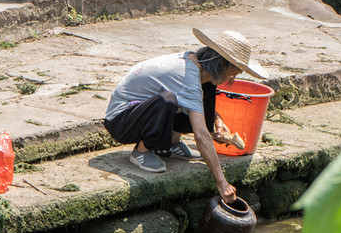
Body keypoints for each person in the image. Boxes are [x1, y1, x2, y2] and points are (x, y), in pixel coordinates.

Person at [103, 28, 268, 203]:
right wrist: (221, 182)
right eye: (233, 73)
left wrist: (215, 119)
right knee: (167, 100)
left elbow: (195, 102)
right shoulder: (187, 75)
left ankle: (172, 142)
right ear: (221, 65)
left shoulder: (195, 65)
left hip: (138, 113)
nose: (233, 78)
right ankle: (142, 151)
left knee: (207, 86)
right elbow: (201, 135)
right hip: (121, 121)